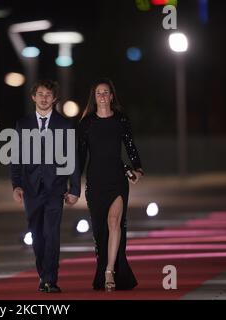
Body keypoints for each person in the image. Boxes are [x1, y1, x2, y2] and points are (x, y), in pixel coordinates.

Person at [11, 79, 81, 293]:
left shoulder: (64, 124)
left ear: (54, 98)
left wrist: (75, 188)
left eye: (48, 94)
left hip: (55, 188)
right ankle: (43, 274)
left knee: (52, 233)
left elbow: (72, 158)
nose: (44, 98)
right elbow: (16, 157)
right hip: (31, 188)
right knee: (37, 234)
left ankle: (50, 279)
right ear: (33, 97)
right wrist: (16, 184)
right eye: (40, 94)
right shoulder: (23, 124)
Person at [78, 78, 144, 291]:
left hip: (117, 180)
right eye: (99, 93)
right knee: (100, 231)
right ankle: (105, 268)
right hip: (95, 182)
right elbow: (80, 156)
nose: (103, 96)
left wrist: (138, 167)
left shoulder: (120, 120)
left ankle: (109, 272)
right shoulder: (86, 123)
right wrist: (71, 185)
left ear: (112, 96)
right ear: (94, 98)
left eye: (106, 92)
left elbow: (130, 145)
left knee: (114, 222)